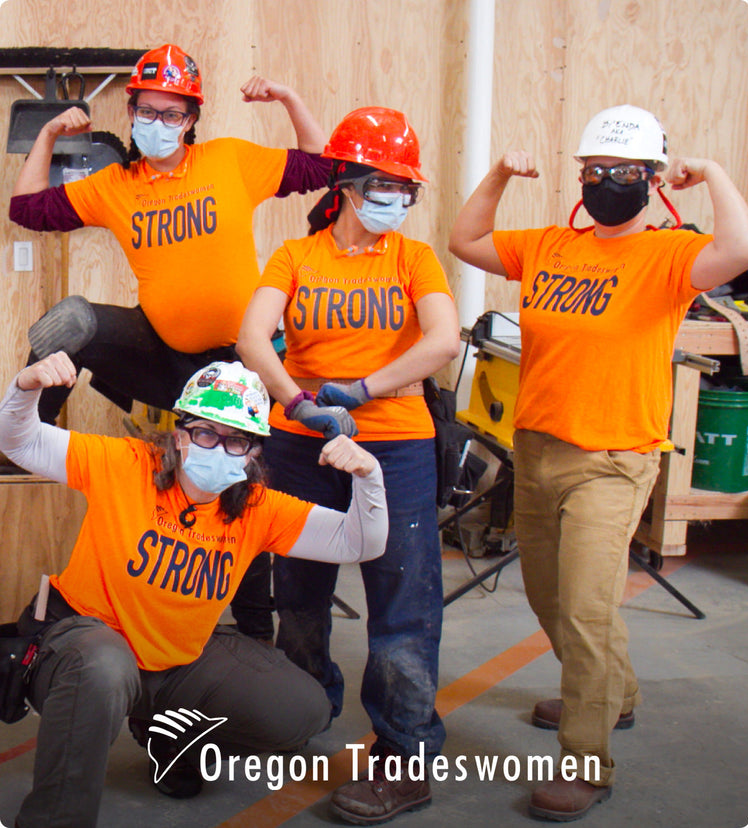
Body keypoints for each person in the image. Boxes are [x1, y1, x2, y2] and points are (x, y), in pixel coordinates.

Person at [448, 103, 748, 821]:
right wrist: (496, 174)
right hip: (539, 447)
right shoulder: (548, 245)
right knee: (549, 599)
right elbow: (466, 238)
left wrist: (711, 174)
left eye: (622, 171)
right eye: (593, 171)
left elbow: (739, 250)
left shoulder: (672, 255)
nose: (606, 181)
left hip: (614, 460)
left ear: (650, 180)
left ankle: (588, 762)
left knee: (585, 610)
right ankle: (617, 691)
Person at [9, 42, 330, 642]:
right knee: (72, 319)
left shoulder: (229, 161)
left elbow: (321, 166)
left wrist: (289, 98)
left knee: (243, 489)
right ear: (130, 113)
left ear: (191, 121)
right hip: (163, 358)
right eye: (147, 112)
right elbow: (28, 209)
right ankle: (25, 439)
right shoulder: (117, 185)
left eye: (172, 114)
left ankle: (254, 628)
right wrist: (50, 130)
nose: (158, 124)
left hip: (238, 369)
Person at [0, 353, 387, 828]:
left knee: (302, 711)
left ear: (253, 453)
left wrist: (370, 480)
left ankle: (170, 737)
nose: (219, 448)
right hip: (84, 645)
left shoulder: (257, 508)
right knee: (103, 666)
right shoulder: (126, 465)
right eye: (206, 433)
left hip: (176, 661)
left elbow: (360, 541)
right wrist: (26, 387)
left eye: (237, 440)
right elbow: (17, 441)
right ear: (180, 436)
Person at [236, 106, 460, 824]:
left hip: (394, 444)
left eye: (406, 186)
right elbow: (251, 336)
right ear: (346, 183)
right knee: (299, 591)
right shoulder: (297, 257)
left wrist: (361, 392)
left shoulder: (414, 258)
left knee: (402, 605)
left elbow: (444, 341)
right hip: (301, 442)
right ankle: (302, 709)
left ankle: (404, 756)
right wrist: (295, 400)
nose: (397, 198)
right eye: (384, 183)